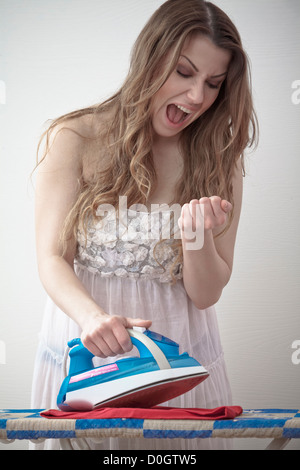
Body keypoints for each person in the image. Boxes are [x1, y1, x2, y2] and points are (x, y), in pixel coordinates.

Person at [30, 0, 257, 450]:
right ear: (150, 58)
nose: (197, 98)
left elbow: (206, 294)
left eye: (213, 84)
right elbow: (52, 258)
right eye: (184, 72)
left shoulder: (219, 158)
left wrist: (196, 234)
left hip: (181, 362)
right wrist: (92, 319)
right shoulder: (75, 138)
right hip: (89, 352)